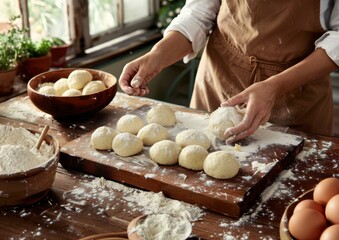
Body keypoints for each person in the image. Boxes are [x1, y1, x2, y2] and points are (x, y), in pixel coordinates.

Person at [119, 0, 339, 143]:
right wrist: (157, 55)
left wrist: (274, 86)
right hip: (220, 78)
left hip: (295, 92)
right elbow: (199, 13)